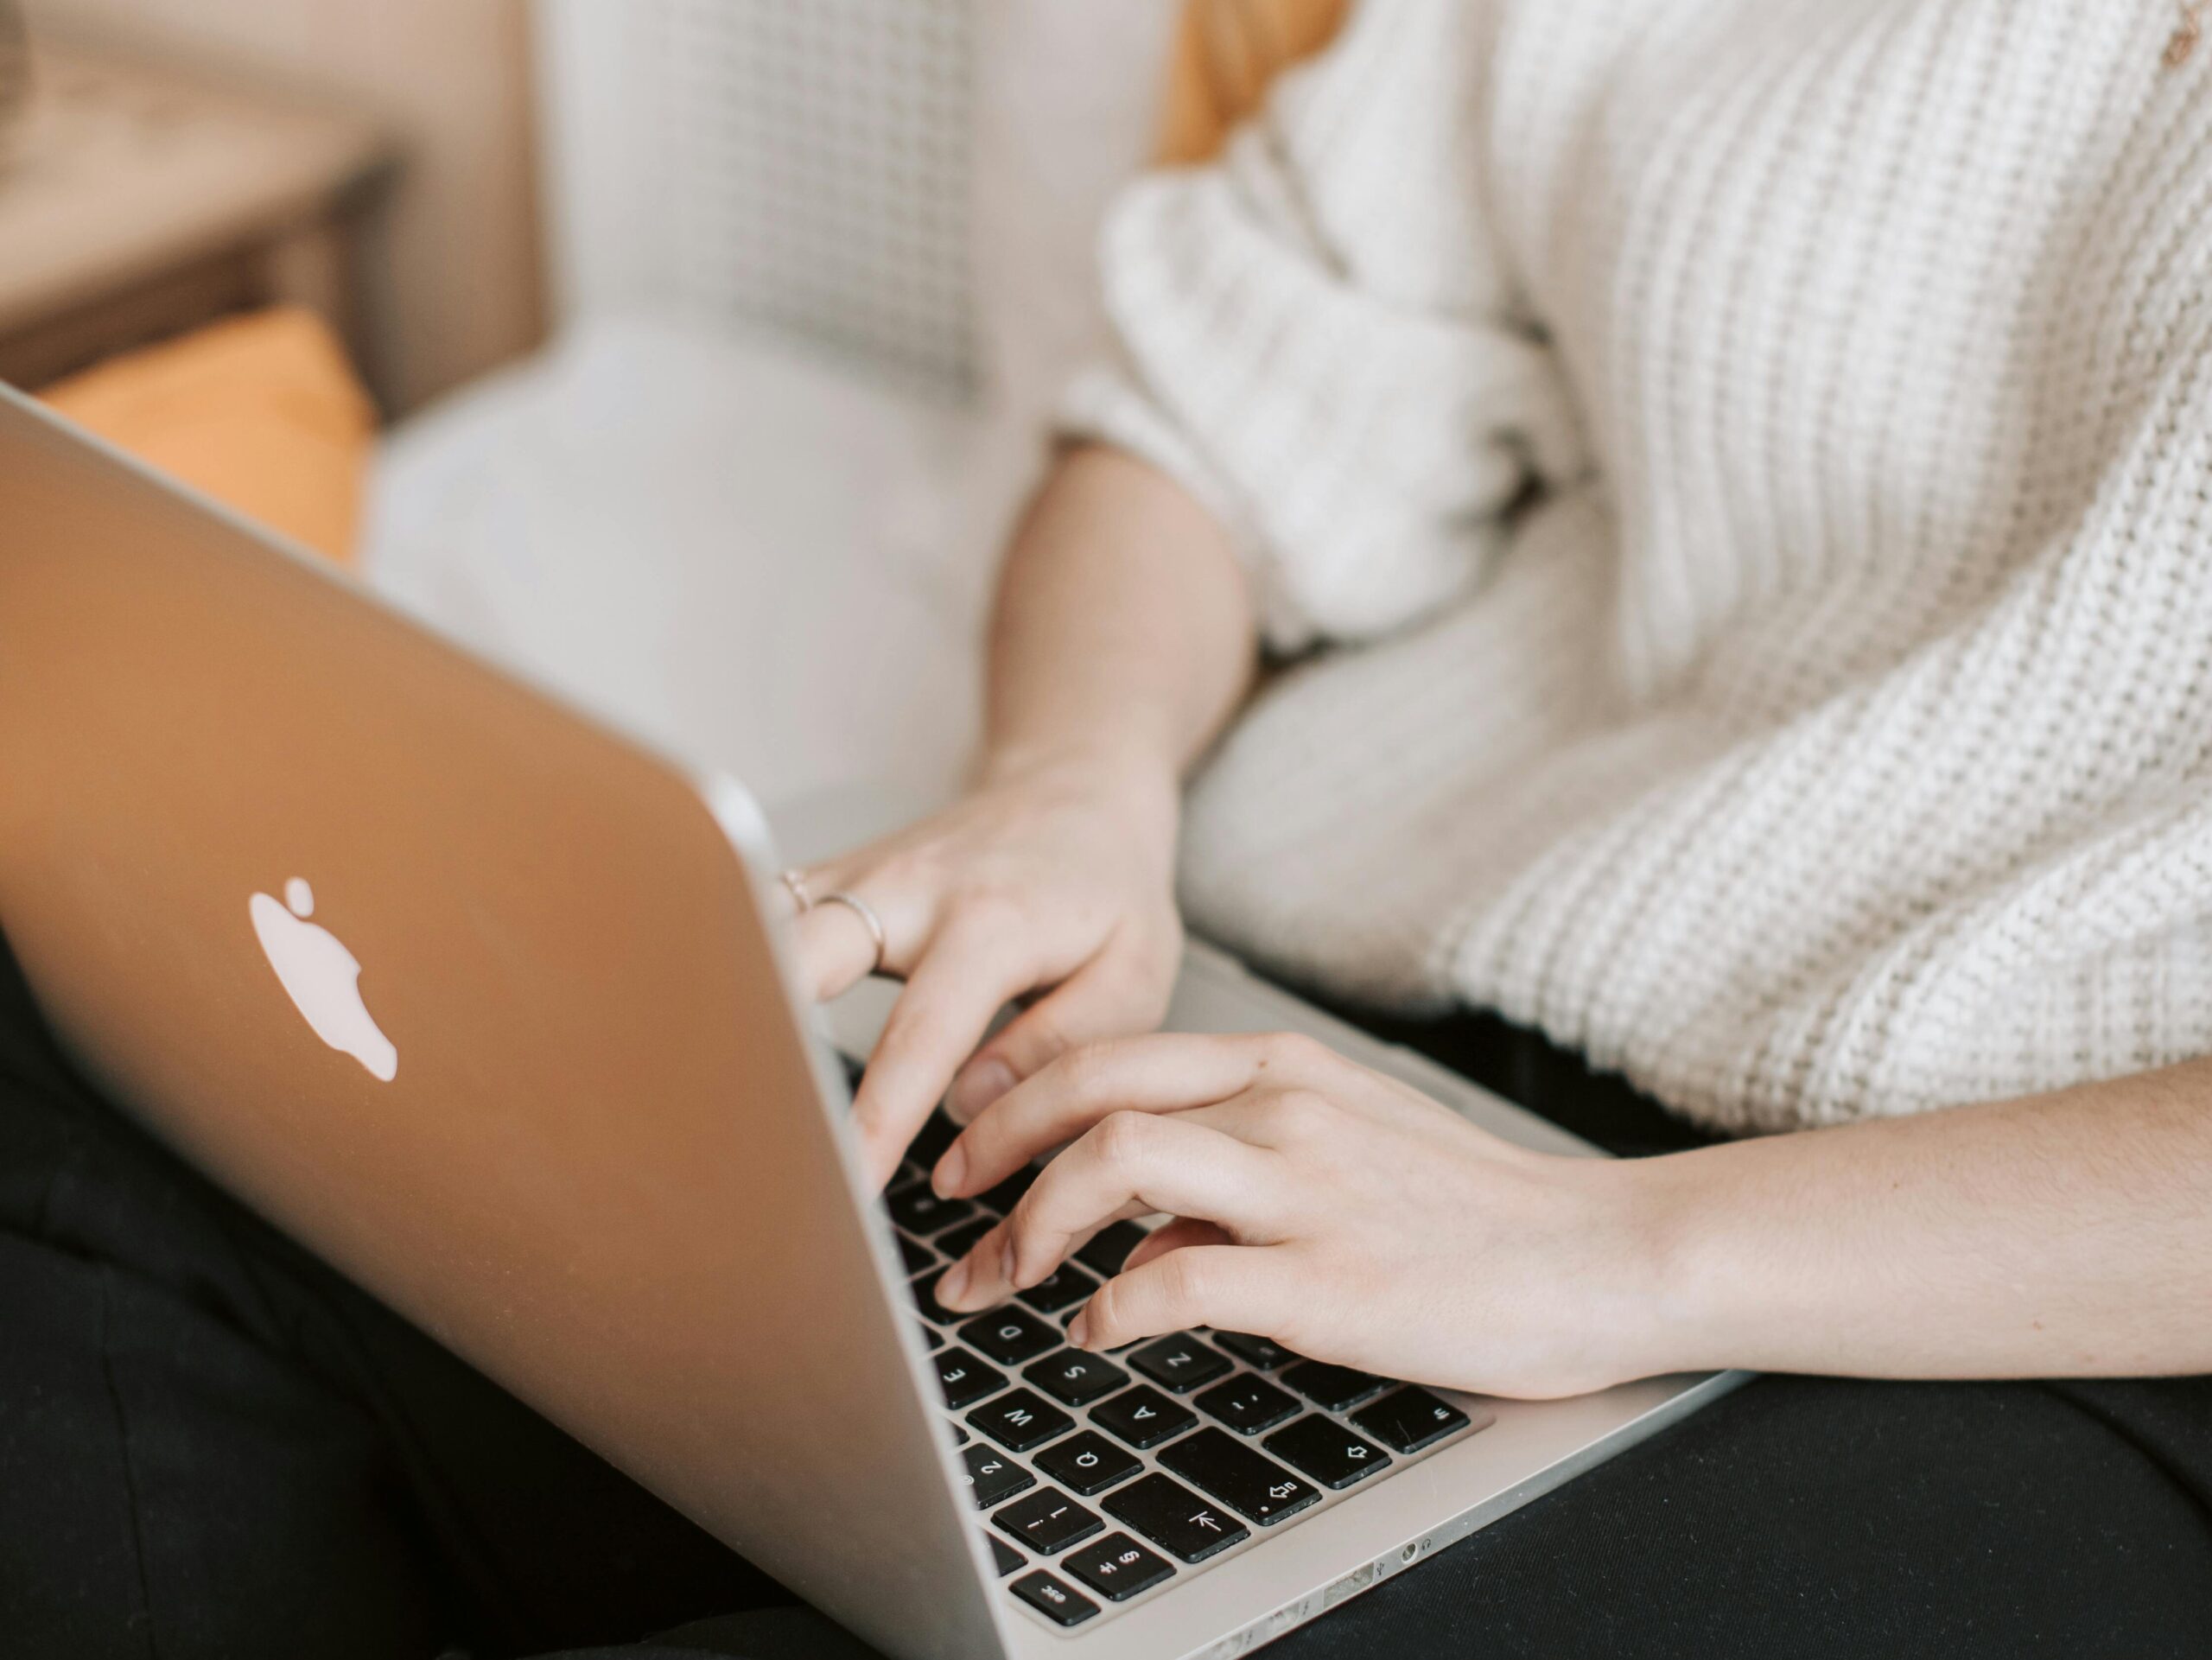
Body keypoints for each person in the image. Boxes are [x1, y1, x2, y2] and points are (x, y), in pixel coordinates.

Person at [7, 2, 2212, 1657]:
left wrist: (1604, 1255)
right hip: (1350, 1036)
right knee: (76, 1115)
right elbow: (1215, 406)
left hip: (2015, 1294)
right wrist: (1077, 784)